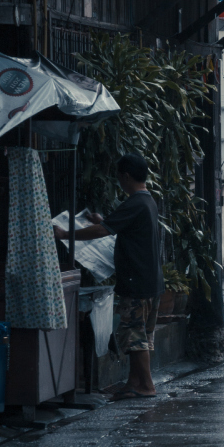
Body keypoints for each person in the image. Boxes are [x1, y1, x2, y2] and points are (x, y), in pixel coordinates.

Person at [54, 151, 163, 399]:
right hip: (149, 280)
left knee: (134, 336)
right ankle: (133, 382)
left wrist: (65, 234)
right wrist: (104, 220)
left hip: (138, 281)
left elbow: (103, 230)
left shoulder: (135, 202)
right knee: (140, 335)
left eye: (119, 177)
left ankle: (146, 386)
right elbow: (117, 226)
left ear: (125, 176)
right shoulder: (147, 201)